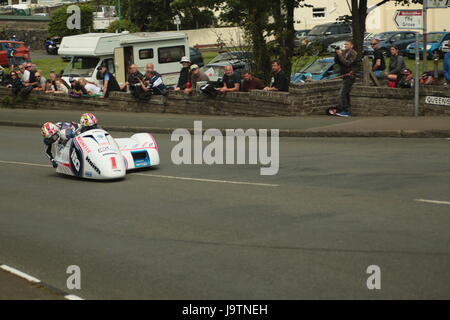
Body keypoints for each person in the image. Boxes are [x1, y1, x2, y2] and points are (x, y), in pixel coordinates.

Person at [328, 39, 358, 117]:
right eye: (344, 45)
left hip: (350, 76)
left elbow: (347, 63)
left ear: (351, 45)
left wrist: (340, 55)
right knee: (345, 93)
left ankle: (346, 111)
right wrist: (337, 53)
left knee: (343, 93)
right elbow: (337, 62)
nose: (345, 46)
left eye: (347, 44)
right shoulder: (344, 52)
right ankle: (345, 109)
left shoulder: (353, 53)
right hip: (344, 75)